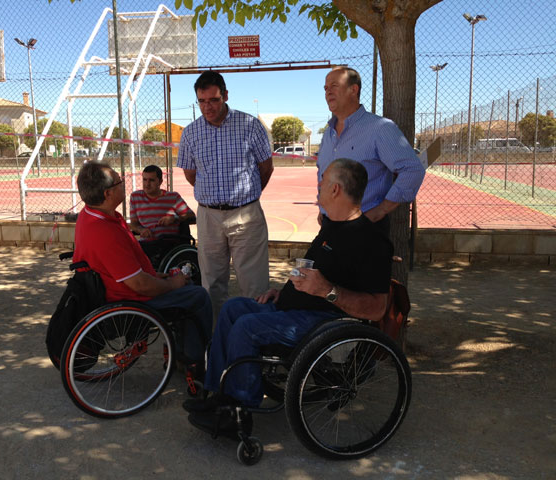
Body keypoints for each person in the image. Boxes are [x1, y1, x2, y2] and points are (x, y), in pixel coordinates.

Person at [183, 158, 393, 434]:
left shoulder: (371, 241)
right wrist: (282, 291)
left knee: (246, 328)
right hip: (294, 308)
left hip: (322, 320)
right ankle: (217, 394)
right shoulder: (332, 227)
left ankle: (238, 410)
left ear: (336, 190)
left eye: (323, 180)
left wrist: (327, 291)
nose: (317, 186)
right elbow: (312, 274)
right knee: (233, 309)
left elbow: (377, 309)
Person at [73, 161, 212, 365]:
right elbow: (140, 285)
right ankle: (195, 360)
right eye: (119, 182)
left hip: (129, 281)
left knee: (182, 282)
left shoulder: (92, 216)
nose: (124, 184)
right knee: (198, 295)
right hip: (132, 298)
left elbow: (137, 273)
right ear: (107, 194)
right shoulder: (105, 231)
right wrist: (173, 284)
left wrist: (159, 276)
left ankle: (182, 349)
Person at [177, 71, 274, 319]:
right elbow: (191, 174)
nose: (207, 107)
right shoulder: (190, 133)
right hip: (209, 217)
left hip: (247, 215)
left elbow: (266, 168)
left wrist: (245, 199)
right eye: (201, 101)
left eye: (213, 100)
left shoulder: (250, 125)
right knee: (211, 285)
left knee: (254, 286)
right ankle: (216, 340)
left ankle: (254, 341)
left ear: (226, 95)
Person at [318, 66, 426, 233]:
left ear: (353, 90)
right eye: (325, 88)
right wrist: (322, 210)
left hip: (365, 227)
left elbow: (412, 170)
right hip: (328, 226)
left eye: (334, 85)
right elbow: (322, 172)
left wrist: (379, 211)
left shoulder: (380, 128)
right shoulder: (328, 133)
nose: (328, 92)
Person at [129, 165, 196, 262]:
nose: (147, 184)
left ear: (160, 182)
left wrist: (174, 218)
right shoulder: (136, 197)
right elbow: (133, 224)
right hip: (147, 243)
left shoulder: (173, 197)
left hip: (169, 243)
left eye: (151, 180)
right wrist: (141, 230)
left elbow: (191, 216)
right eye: (144, 180)